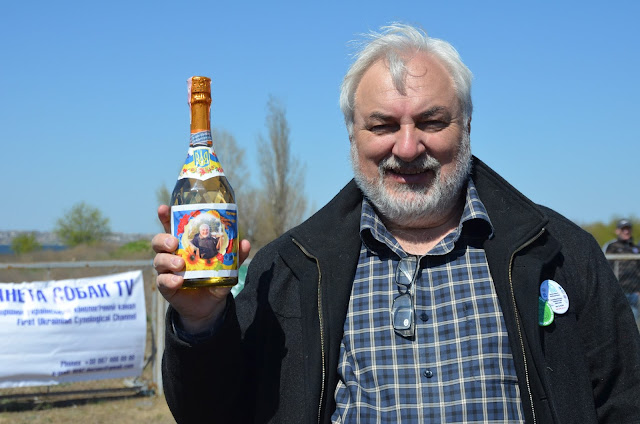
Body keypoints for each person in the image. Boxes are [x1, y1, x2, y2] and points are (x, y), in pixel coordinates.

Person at [153, 23, 640, 423]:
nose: (407, 148)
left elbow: (625, 402)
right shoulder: (287, 272)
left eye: (431, 122)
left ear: (467, 126)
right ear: (352, 135)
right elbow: (214, 415)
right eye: (383, 125)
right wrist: (201, 323)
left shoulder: (561, 253)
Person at [603, 219, 640, 322]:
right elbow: (605, 268)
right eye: (623, 229)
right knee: (617, 321)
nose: (626, 231)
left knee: (633, 322)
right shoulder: (611, 246)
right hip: (618, 290)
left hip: (634, 291)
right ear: (617, 231)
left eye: (628, 229)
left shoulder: (635, 248)